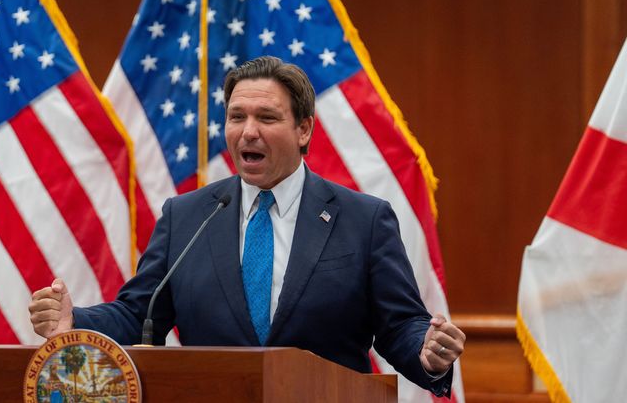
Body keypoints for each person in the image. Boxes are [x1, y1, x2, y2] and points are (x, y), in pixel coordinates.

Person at [29, 56, 465, 397]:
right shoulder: (187, 216)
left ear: (303, 130)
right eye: (237, 117)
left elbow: (399, 324)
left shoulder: (363, 220)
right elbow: (138, 314)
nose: (248, 132)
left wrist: (428, 352)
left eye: (267, 118)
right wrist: (75, 320)